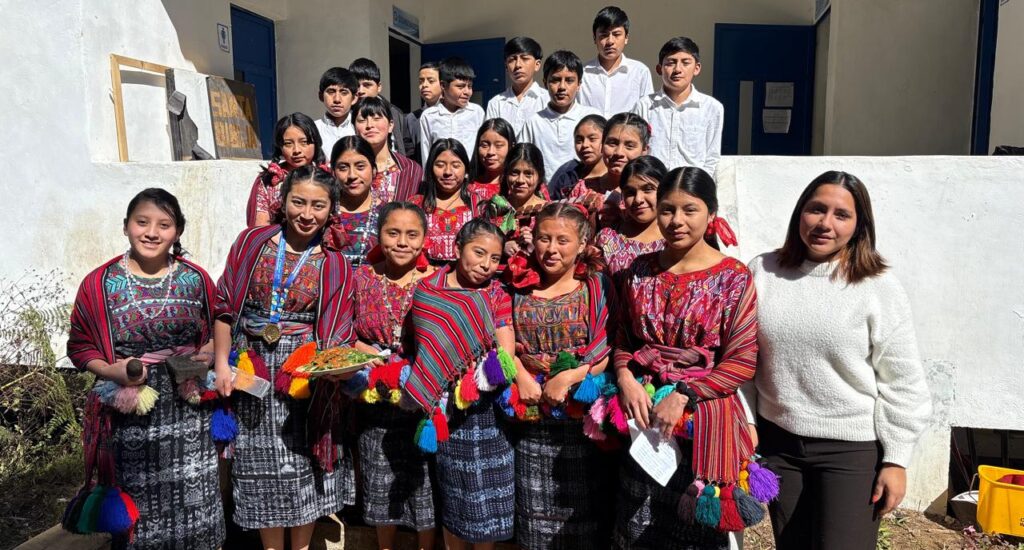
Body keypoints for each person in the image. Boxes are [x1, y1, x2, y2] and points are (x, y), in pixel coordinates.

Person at [745, 171, 931, 550]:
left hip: (850, 452)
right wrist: (747, 423)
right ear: (800, 212)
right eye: (816, 209)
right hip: (779, 445)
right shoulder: (763, 271)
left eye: (841, 215)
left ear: (859, 225)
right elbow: (743, 359)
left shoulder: (877, 286)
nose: (825, 223)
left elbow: (902, 380)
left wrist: (896, 460)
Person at [67, 188, 224, 549]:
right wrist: (113, 372)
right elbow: (80, 346)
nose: (152, 233)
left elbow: (220, 326)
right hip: (129, 414)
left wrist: (207, 353)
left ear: (177, 231)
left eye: (164, 225)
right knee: (139, 517)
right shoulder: (99, 283)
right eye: (142, 222)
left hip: (189, 409)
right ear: (126, 226)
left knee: (197, 506)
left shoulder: (196, 279)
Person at [612, 167, 758, 548]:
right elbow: (624, 334)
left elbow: (742, 359)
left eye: (689, 210)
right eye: (667, 209)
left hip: (702, 421)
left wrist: (685, 395)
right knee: (637, 528)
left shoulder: (734, 277)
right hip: (643, 417)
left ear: (711, 214)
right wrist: (625, 378)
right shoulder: (639, 270)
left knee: (693, 534)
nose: (676, 221)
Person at [213, 165, 356, 550]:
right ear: (283, 201)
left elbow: (340, 329)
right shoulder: (252, 243)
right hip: (252, 365)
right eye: (298, 202)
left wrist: (331, 369)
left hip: (303, 374)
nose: (307, 214)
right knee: (258, 466)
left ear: (331, 209)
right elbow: (224, 305)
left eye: (318, 205)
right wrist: (222, 362)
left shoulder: (335, 262)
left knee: (301, 467)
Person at [507, 202, 616, 549]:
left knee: (582, 515)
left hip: (580, 420)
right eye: (543, 238)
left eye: (562, 240)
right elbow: (501, 340)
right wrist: (521, 376)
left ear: (582, 244)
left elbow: (605, 348)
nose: (551, 249)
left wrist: (568, 378)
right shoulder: (516, 288)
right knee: (534, 516)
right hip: (530, 417)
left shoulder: (596, 287)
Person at [403, 219, 517, 549]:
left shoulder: (496, 295)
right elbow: (422, 348)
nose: (486, 265)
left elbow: (505, 355)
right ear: (457, 249)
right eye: (479, 253)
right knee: (453, 496)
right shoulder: (427, 291)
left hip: (487, 411)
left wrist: (477, 380)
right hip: (445, 412)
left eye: (495, 259)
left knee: (487, 503)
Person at [351, 202, 438, 550]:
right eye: (393, 233)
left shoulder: (436, 281)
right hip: (373, 396)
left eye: (412, 234)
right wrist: (367, 352)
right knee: (380, 481)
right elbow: (345, 330)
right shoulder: (362, 278)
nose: (402, 242)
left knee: (423, 483)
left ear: (424, 240)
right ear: (379, 235)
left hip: (420, 396)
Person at [633, 37, 723, 177]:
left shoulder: (712, 108)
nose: (677, 69)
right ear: (659, 69)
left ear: (697, 68)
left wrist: (699, 184)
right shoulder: (644, 105)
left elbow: (712, 157)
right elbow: (635, 149)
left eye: (685, 63)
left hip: (691, 185)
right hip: (653, 183)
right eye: (670, 63)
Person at [521, 50, 601, 178]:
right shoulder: (534, 122)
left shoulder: (592, 117)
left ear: (579, 84)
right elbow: (523, 161)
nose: (562, 87)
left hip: (586, 188)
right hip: (546, 190)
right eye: (555, 80)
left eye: (569, 80)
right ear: (545, 83)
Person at [566, 112, 650, 228]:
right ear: (602, 145)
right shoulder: (583, 189)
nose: (619, 152)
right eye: (612, 143)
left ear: (645, 150)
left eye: (629, 146)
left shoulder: (651, 193)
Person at [246, 113, 326, 227]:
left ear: (315, 143)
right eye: (288, 144)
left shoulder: (327, 178)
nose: (296, 150)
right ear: (280, 147)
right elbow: (261, 227)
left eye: (304, 142)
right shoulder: (269, 180)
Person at [411, 139, 482, 264]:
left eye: (456, 165)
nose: (448, 172)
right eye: (440, 165)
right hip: (424, 273)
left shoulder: (478, 205)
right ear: (430, 169)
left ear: (466, 171)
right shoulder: (415, 205)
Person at [594, 155, 666, 275]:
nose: (638, 199)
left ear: (665, 190)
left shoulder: (676, 238)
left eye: (648, 189)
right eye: (630, 192)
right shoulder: (608, 239)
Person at [578, 6, 654, 117]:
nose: (610, 41)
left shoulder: (640, 72)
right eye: (604, 35)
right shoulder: (582, 73)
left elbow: (647, 115)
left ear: (626, 38)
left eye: (616, 34)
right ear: (594, 38)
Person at [482, 143, 548, 259]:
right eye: (514, 173)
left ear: (540, 176)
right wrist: (501, 247)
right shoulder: (495, 208)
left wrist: (535, 245)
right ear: (506, 174)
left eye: (528, 174)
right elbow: (480, 244)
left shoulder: (548, 212)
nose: (520, 180)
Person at [352, 96, 423, 203]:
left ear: (390, 125)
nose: (369, 125)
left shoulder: (411, 169)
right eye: (362, 120)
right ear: (354, 128)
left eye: (376, 119)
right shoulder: (344, 168)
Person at [419, 57, 485, 163]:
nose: (467, 92)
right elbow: (426, 153)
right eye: (460, 87)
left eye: (469, 86)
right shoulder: (429, 116)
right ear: (443, 85)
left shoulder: (476, 113)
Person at [331, 136, 381, 265]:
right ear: (333, 172)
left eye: (360, 166)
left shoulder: (387, 214)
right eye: (343, 168)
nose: (352, 175)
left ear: (374, 169)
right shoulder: (326, 211)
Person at [486, 37, 550, 135]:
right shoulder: (496, 103)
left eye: (525, 58)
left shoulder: (548, 100)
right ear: (506, 67)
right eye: (512, 59)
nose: (518, 65)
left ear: (537, 65)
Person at [349, 57, 412, 156]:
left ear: (379, 87)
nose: (361, 91)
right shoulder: (346, 114)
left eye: (367, 85)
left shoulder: (394, 112)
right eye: (356, 85)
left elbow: (407, 147)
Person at [548, 114, 607, 200]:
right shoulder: (567, 180)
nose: (585, 145)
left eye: (592, 139)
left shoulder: (617, 176)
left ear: (606, 140)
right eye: (579, 141)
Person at [314, 67, 359, 159]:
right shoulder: (313, 129)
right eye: (331, 92)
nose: (337, 99)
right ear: (321, 96)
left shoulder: (360, 128)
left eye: (344, 92)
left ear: (354, 98)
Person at [470, 118, 517, 200]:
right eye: (484, 145)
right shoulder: (466, 186)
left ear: (511, 147)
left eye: (499, 145)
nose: (491, 152)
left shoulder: (520, 186)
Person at [406, 61, 443, 165]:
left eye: (431, 81)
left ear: (443, 84)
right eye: (421, 81)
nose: (424, 85)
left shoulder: (453, 113)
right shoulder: (412, 118)